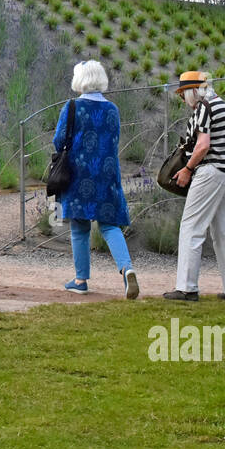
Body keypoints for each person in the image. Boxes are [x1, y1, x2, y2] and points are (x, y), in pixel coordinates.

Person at [50, 60, 141, 298]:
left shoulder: (71, 107)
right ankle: (126, 268)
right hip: (106, 173)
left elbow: (59, 141)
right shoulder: (113, 109)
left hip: (77, 175)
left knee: (79, 228)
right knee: (110, 225)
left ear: (79, 80)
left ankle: (81, 280)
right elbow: (114, 140)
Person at [162, 71, 225, 304]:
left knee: (191, 227)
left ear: (193, 91)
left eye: (183, 94)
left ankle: (186, 288)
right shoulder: (222, 105)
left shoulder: (204, 106)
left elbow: (202, 146)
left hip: (211, 172)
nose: (183, 100)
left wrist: (188, 169)